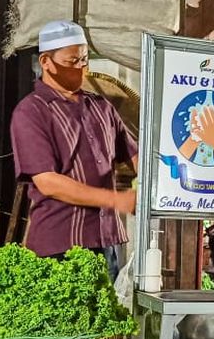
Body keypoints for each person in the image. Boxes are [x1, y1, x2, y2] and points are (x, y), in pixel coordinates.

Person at [9, 20, 138, 280]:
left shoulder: (101, 107)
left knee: (103, 317)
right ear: (46, 62)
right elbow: (48, 182)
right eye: (72, 61)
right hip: (59, 246)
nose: (81, 68)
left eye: (84, 60)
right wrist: (115, 199)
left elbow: (136, 156)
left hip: (106, 241)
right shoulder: (32, 111)